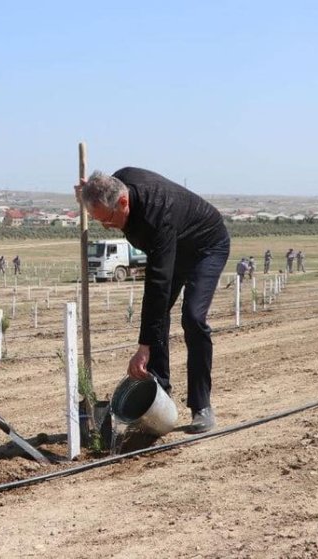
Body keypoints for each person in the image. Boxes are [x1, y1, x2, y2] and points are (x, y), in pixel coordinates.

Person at [78, 168, 230, 434]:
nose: (107, 226)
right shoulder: (118, 183)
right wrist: (87, 190)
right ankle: (160, 390)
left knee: (193, 317)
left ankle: (201, 406)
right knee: (155, 319)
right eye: (100, 221)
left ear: (123, 202)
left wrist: (144, 347)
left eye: (109, 220)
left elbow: (157, 286)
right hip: (173, 248)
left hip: (205, 248)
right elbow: (102, 190)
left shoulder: (156, 216)